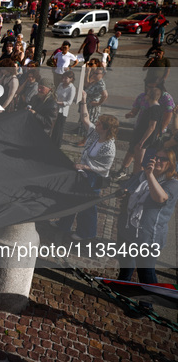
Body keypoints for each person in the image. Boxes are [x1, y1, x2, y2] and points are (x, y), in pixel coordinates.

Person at [117, 148, 178, 311]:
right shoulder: (141, 175)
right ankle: (122, 288)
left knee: (146, 273)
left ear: (171, 165)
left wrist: (150, 175)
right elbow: (126, 186)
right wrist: (123, 191)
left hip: (148, 237)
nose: (157, 160)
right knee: (125, 263)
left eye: (163, 159)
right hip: (128, 230)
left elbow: (160, 198)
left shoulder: (172, 184)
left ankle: (146, 305)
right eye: (156, 157)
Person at [57, 99, 118, 240]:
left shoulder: (109, 147)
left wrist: (85, 166)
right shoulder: (95, 134)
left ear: (106, 128)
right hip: (84, 173)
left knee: (87, 206)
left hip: (94, 178)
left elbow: (104, 169)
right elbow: (85, 118)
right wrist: (84, 100)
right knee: (72, 198)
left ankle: (86, 233)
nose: (96, 124)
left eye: (100, 123)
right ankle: (64, 224)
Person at [77, 68, 108, 145]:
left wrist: (98, 103)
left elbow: (105, 95)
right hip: (87, 104)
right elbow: (87, 84)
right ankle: (84, 139)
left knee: (89, 122)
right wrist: (88, 73)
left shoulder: (101, 83)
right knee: (84, 121)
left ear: (102, 75)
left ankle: (86, 141)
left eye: (97, 74)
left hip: (92, 107)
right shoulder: (95, 81)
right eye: (94, 73)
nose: (94, 74)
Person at [51, 70, 77, 147]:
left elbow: (69, 102)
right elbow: (56, 93)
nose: (64, 79)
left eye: (66, 78)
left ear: (71, 79)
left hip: (62, 110)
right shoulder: (61, 84)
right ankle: (52, 141)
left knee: (59, 127)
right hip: (55, 108)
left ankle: (57, 144)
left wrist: (58, 102)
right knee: (54, 126)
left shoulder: (72, 88)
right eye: (63, 78)